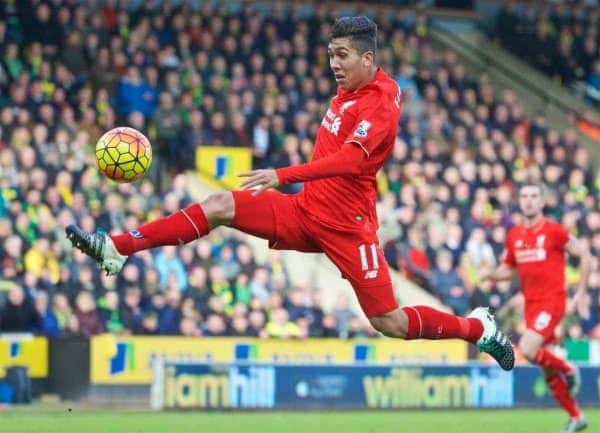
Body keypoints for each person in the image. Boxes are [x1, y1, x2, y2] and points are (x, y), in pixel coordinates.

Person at [66, 16, 513, 369]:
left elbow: (353, 162)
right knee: (220, 204)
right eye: (331, 55)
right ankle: (117, 248)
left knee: (390, 322)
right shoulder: (350, 88)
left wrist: (282, 173)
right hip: (303, 211)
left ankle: (477, 328)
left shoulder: (380, 102)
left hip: (348, 228)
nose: (333, 65)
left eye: (341, 56)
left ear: (368, 58)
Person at [480, 183, 590, 433]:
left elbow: (585, 255)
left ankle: (569, 368)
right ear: (520, 201)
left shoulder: (554, 231)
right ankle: (576, 417)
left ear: (542, 202)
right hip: (531, 305)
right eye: (525, 196)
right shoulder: (515, 235)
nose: (529, 201)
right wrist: (490, 275)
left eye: (534, 196)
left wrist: (581, 293)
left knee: (528, 348)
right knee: (546, 369)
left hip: (553, 301)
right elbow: (508, 269)